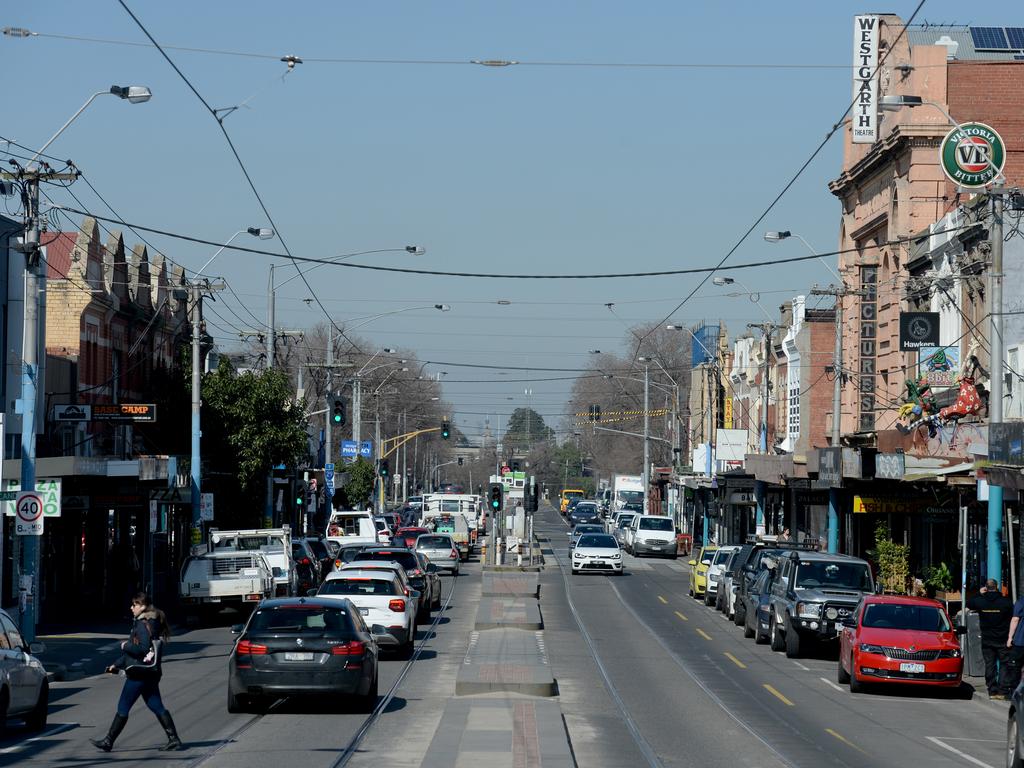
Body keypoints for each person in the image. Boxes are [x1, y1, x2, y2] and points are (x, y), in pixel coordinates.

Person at [91, 592, 182, 752]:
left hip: (138, 674)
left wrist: (125, 645)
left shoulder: (142, 624)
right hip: (150, 673)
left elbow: (142, 648)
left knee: (123, 707)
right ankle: (174, 739)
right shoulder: (152, 622)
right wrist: (116, 664)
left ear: (143, 606)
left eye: (134, 605)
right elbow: (137, 653)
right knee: (156, 705)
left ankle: (108, 741)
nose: (131, 608)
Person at [967, 579, 1014, 699]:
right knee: (1004, 664)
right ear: (997, 587)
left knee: (989, 665)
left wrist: (979, 593)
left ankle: (992, 690)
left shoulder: (980, 601)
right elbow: (1012, 616)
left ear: (986, 588)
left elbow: (970, 603)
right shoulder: (1006, 602)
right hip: (1003, 639)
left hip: (987, 639)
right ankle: (1002, 691)